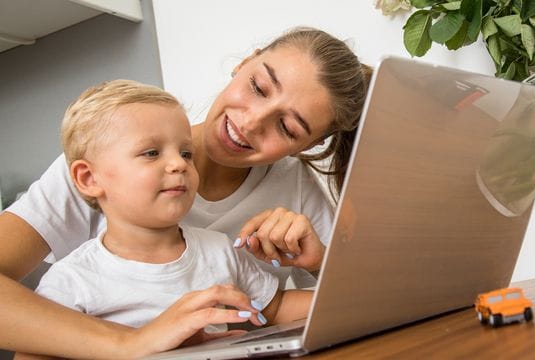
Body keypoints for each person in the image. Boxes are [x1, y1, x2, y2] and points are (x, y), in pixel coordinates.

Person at [0, 27, 372, 357]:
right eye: (258, 87)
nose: (250, 122)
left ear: (306, 144)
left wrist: (320, 260)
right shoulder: (106, 160)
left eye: (288, 128)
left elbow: (358, 304)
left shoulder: (284, 194)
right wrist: (134, 342)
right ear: (244, 63)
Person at [14, 79, 312, 359]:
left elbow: (277, 306)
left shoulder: (219, 250)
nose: (178, 164)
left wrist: (354, 306)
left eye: (186, 153)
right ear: (89, 178)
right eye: (152, 152)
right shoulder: (71, 281)